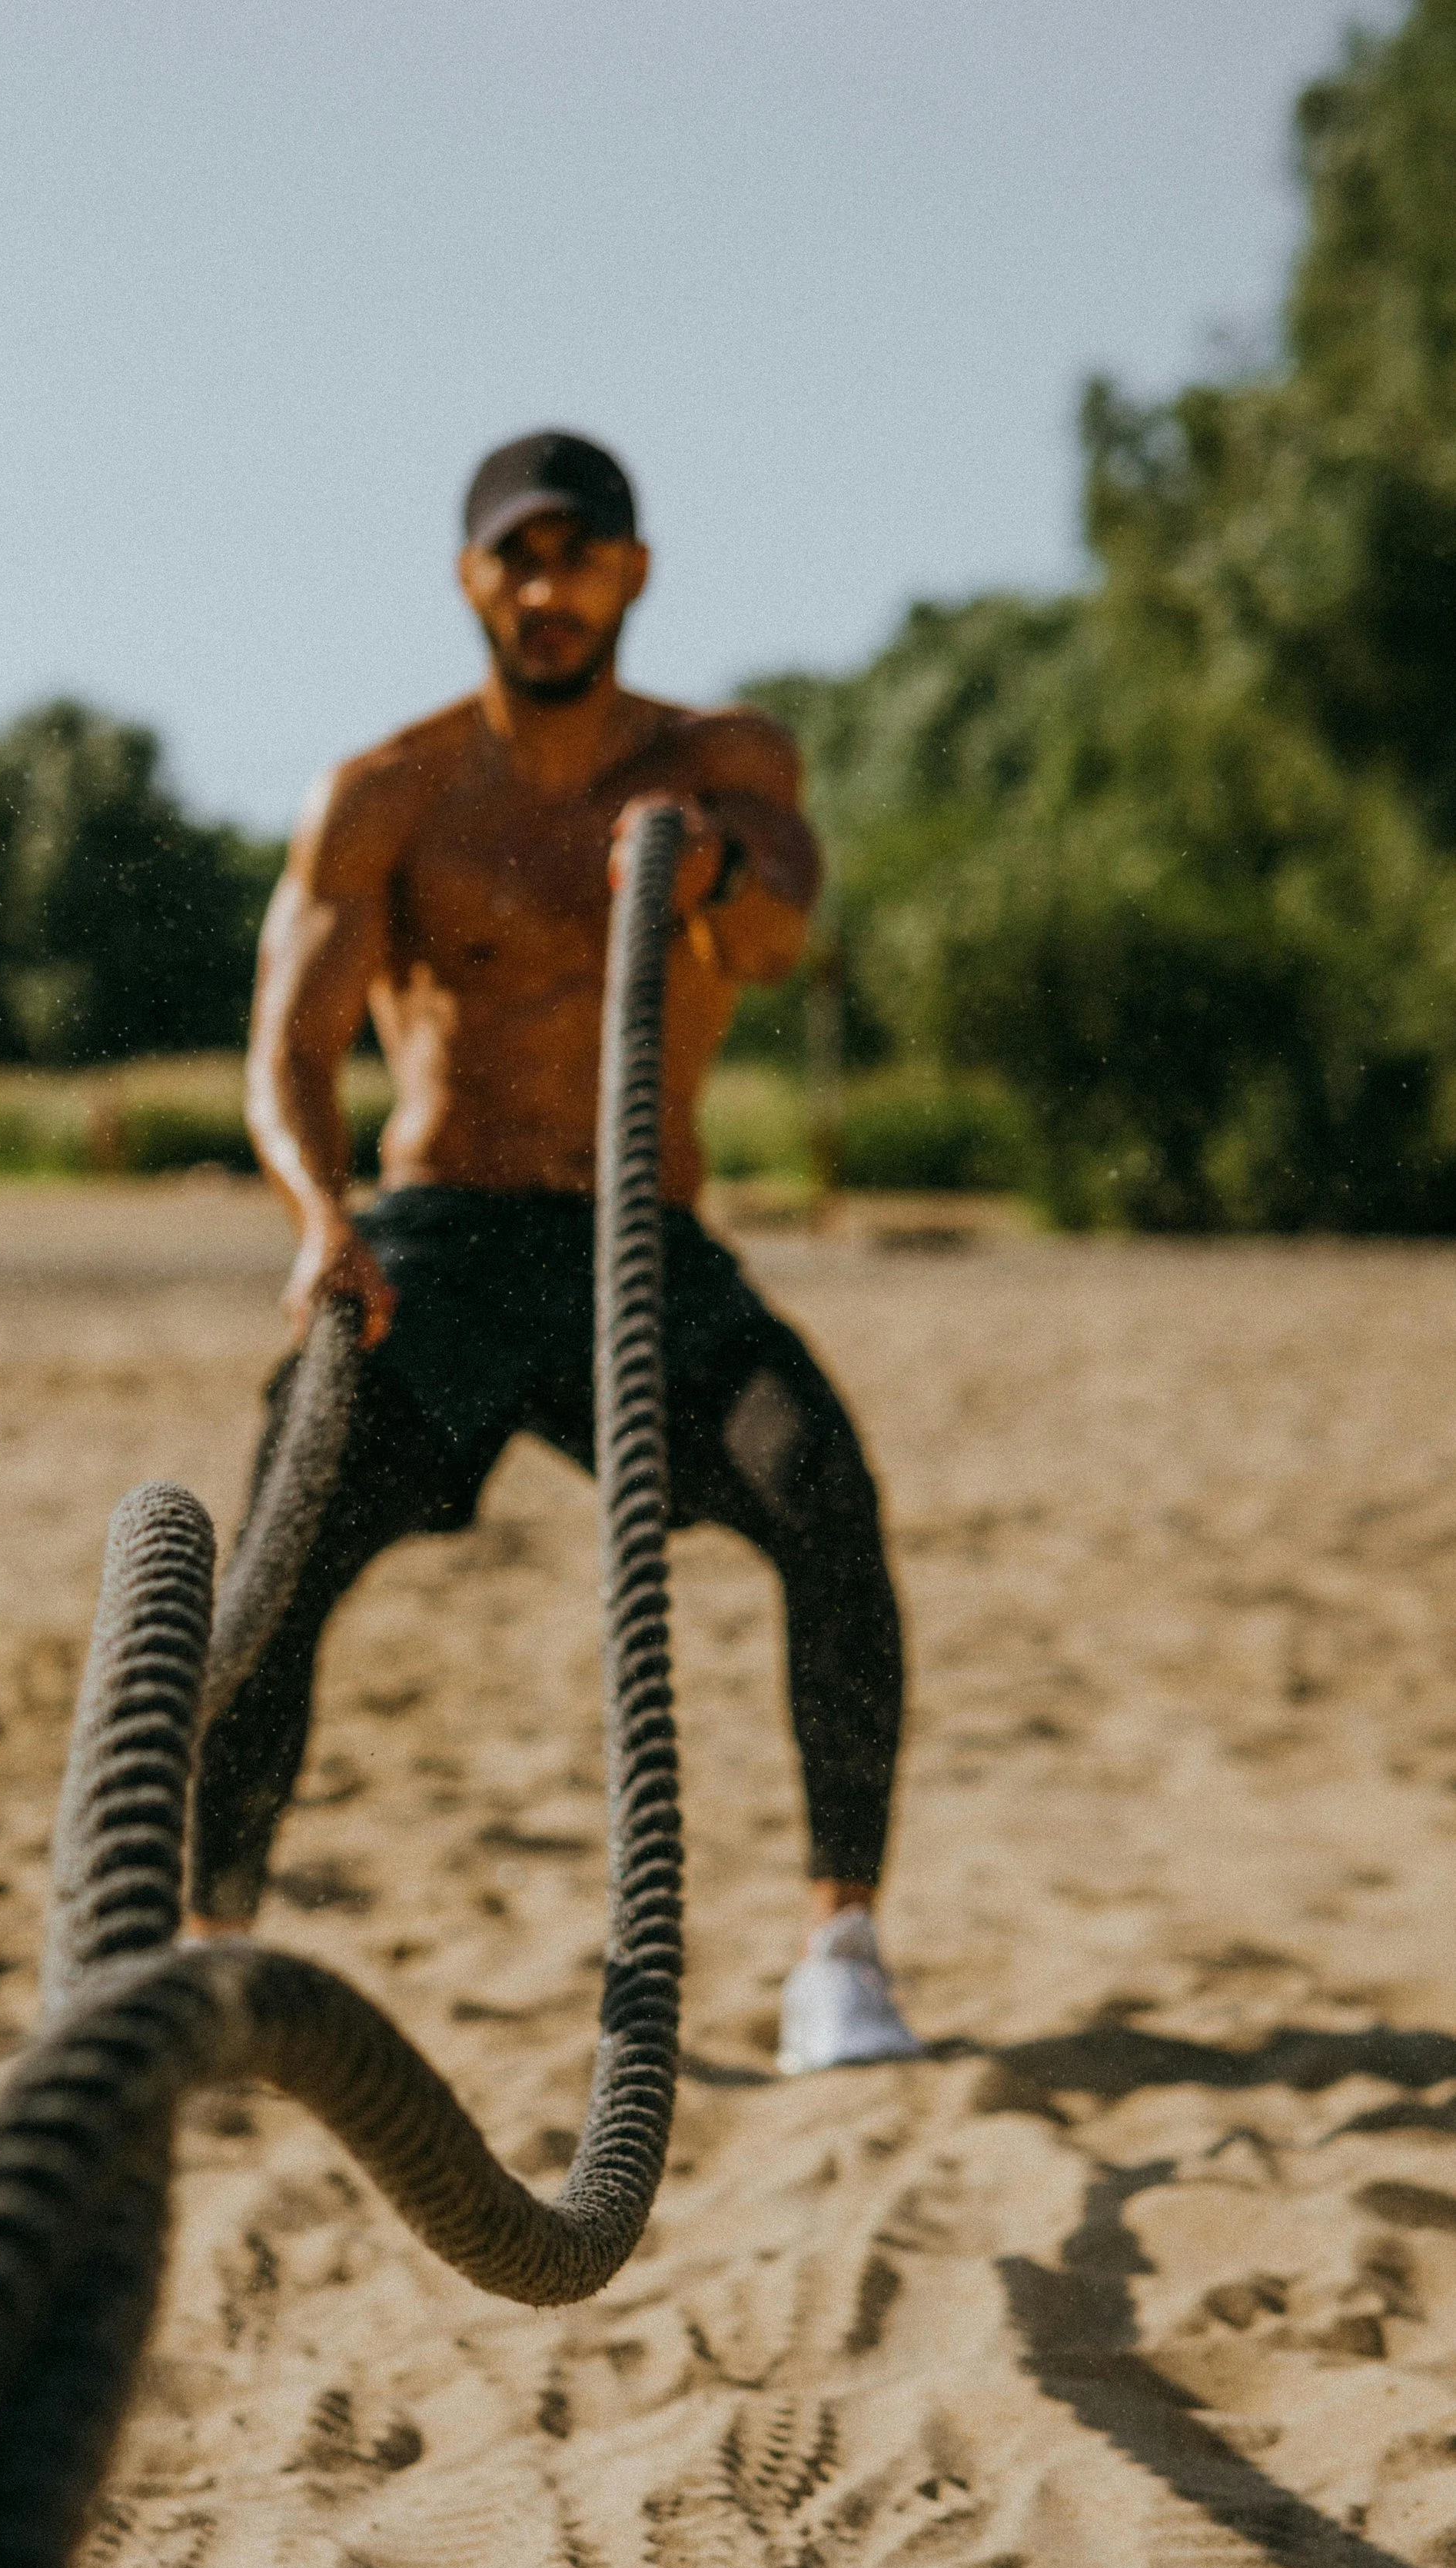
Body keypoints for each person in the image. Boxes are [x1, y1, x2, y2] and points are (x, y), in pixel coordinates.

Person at [188, 430, 919, 2071]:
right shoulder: (390, 790)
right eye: (514, 558)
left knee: (823, 1501)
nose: (544, 588)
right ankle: (206, 1952)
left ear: (633, 573)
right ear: (470, 579)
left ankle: (837, 1949)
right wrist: (320, 1222)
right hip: (433, 1242)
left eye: (576, 554)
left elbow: (783, 928)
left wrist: (710, 864)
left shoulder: (723, 764)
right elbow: (285, 1052)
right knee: (270, 1572)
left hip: (639, 1243)